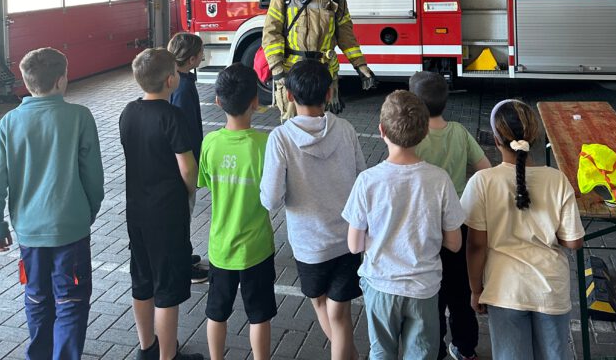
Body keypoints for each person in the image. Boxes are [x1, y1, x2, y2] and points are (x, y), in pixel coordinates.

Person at [342, 90, 464, 360]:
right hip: (424, 288)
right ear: (423, 133)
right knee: (422, 353)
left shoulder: (367, 180)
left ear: (381, 130)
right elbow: (455, 243)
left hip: (380, 284)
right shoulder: (440, 179)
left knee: (381, 351)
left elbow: (353, 246)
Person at [0, 47, 104, 359]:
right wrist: (87, 211)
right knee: (71, 301)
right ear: (61, 81)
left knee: (36, 297)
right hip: (71, 229)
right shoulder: (79, 117)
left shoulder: (9, 123)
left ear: (27, 82)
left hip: (29, 232)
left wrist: (0, 225)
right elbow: (93, 178)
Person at [462, 99, 585, 360]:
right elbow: (573, 242)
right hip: (551, 290)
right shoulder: (557, 179)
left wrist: (475, 290)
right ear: (535, 136)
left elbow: (475, 245)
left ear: (496, 139)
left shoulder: (482, 182)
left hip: (505, 290)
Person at [260, 59, 366, 359]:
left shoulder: (280, 138)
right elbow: (362, 179)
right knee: (340, 314)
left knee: (320, 303)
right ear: (330, 94)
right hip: (348, 238)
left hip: (309, 244)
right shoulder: (345, 129)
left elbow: (271, 199)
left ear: (290, 96)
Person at [119, 48, 203, 360]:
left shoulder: (128, 111)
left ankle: (147, 348)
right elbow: (187, 167)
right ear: (171, 80)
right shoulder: (172, 116)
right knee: (167, 289)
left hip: (136, 211)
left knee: (142, 280)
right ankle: (168, 355)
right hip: (167, 213)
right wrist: (189, 190)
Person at [409, 71, 491, 360]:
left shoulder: (413, 139)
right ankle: (466, 348)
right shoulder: (459, 131)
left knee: (434, 293)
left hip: (426, 228)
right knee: (460, 292)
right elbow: (485, 169)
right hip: (459, 223)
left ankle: (437, 349)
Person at [198, 64, 276, 360]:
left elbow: (203, 180)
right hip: (256, 248)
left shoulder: (210, 143)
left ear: (218, 101)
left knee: (217, 313)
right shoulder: (264, 145)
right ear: (255, 102)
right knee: (259, 315)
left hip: (221, 248)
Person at [262, 0, 377, 120]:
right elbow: (271, 34)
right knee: (293, 126)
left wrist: (360, 65)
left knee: (325, 126)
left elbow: (346, 34)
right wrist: (277, 69)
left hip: (325, 73)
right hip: (293, 74)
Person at [168, 32, 208, 284]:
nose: (204, 57)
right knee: (182, 213)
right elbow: (184, 133)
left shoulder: (176, 80)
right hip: (184, 163)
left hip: (180, 161)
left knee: (183, 213)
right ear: (192, 58)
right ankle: (182, 264)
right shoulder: (182, 88)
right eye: (202, 53)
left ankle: (182, 253)